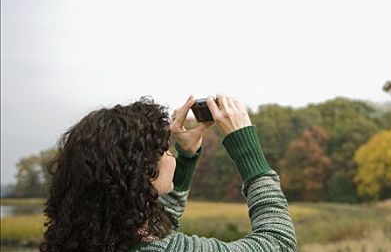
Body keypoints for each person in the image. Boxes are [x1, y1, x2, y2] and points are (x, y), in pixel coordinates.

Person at [40, 94, 297, 252]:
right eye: (164, 148)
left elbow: (154, 227)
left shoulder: (86, 237)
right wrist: (247, 150)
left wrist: (186, 157)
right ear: (143, 174)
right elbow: (278, 242)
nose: (169, 154)